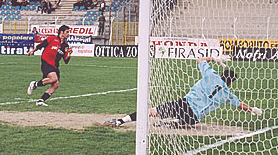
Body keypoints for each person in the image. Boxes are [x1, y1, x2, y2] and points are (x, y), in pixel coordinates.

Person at [106, 56, 263, 127]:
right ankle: (173, 123)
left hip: (184, 104)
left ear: (222, 74)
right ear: (231, 82)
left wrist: (215, 59)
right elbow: (240, 105)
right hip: (194, 117)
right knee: (190, 123)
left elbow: (200, 60)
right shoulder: (228, 94)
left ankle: (121, 121)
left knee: (152, 111)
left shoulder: (211, 74)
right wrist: (253, 110)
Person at [26, 25, 73, 106]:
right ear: (62, 32)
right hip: (46, 62)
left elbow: (66, 61)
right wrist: (32, 51)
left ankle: (40, 100)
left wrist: (69, 53)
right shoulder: (52, 39)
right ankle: (35, 84)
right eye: (67, 32)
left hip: (55, 65)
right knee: (53, 79)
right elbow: (41, 45)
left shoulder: (65, 45)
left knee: (55, 84)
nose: (68, 34)